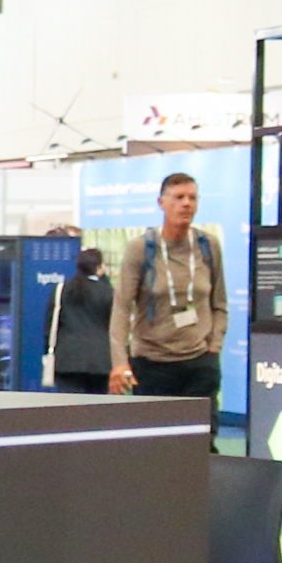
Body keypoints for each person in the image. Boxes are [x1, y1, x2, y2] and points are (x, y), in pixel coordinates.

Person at [109, 172, 228, 407]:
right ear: (161, 202)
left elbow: (220, 302)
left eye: (192, 198)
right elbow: (122, 307)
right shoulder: (141, 248)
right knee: (158, 429)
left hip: (200, 362)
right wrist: (120, 362)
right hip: (153, 363)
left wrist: (214, 346)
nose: (186, 204)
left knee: (201, 430)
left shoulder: (208, 245)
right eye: (178, 197)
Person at [46, 245, 114, 393]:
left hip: (68, 359)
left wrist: (49, 350)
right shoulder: (108, 292)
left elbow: (50, 325)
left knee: (70, 405)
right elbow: (114, 326)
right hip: (100, 360)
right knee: (98, 405)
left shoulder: (62, 290)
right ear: (99, 267)